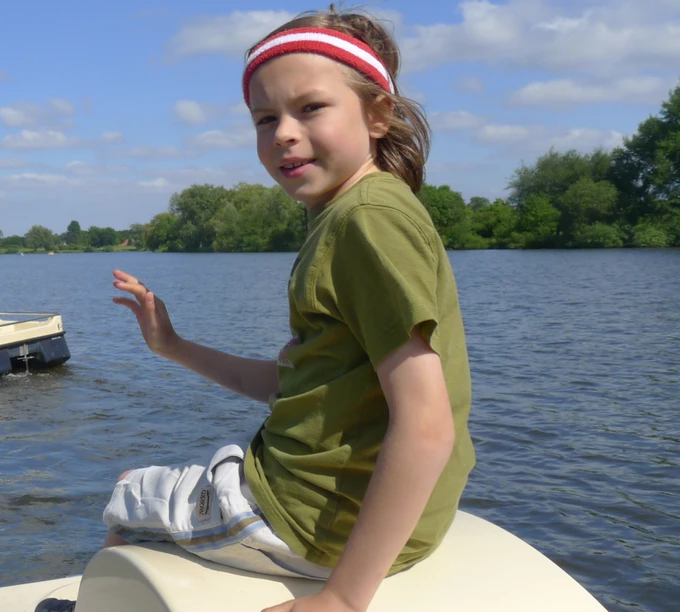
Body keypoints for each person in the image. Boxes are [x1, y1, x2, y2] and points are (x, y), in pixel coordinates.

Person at [42, 8, 475, 612]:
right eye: (265, 118)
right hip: (358, 508)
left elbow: (426, 424)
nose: (283, 133)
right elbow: (299, 387)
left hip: (314, 515)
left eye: (310, 108)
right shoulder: (366, 210)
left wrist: (344, 598)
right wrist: (173, 346)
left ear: (378, 114)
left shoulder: (364, 223)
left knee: (127, 496)